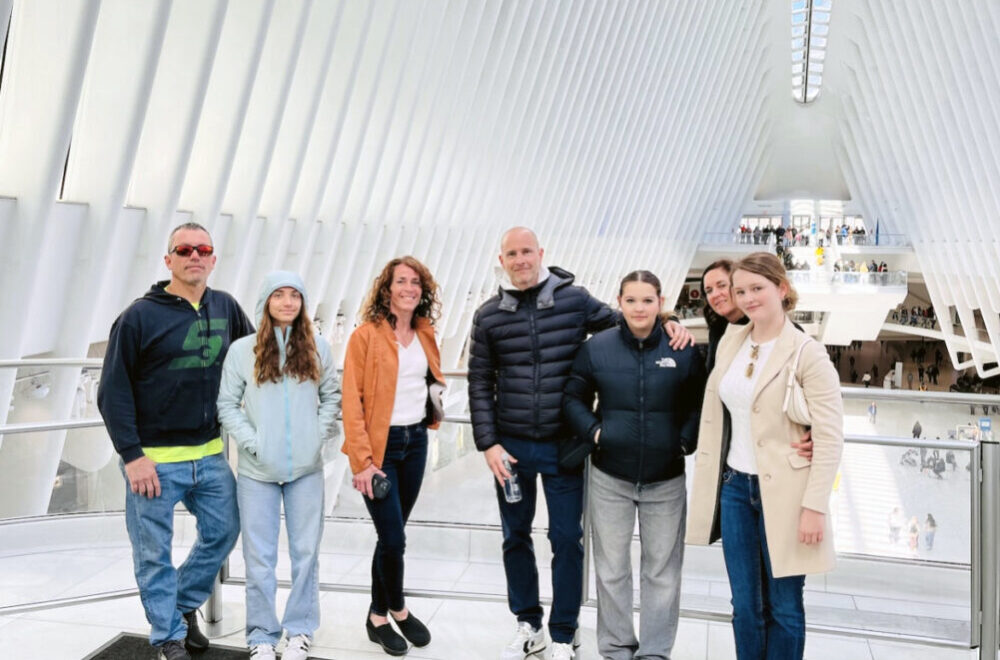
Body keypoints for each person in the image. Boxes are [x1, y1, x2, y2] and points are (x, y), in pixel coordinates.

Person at [468, 227, 693, 660]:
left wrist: (668, 322)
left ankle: (563, 631)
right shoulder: (488, 315)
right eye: (512, 254)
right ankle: (528, 624)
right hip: (510, 448)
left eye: (527, 251)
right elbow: (479, 382)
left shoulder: (574, 300)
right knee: (515, 536)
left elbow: (627, 320)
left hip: (564, 445)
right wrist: (488, 443)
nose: (520, 260)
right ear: (502, 260)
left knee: (567, 538)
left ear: (541, 253)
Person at [97, 222, 254, 660]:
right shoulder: (138, 317)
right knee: (154, 555)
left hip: (210, 456)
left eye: (203, 249)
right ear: (168, 260)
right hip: (153, 462)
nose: (194, 256)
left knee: (224, 531)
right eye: (184, 250)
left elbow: (254, 358)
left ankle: (182, 606)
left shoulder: (226, 306)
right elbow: (112, 391)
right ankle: (168, 636)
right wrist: (133, 456)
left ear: (213, 259)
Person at [687, 252, 844, 660]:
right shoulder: (732, 341)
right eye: (741, 291)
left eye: (757, 288)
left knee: (784, 606)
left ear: (782, 288)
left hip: (788, 494)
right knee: (745, 606)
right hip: (735, 489)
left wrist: (814, 506)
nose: (748, 298)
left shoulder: (807, 352)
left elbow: (830, 435)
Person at [563, 271, 706, 660]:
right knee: (611, 569)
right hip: (610, 476)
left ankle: (655, 652)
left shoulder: (683, 349)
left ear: (661, 302)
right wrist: (596, 433)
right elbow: (573, 397)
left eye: (647, 300)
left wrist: (683, 441)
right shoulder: (597, 348)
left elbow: (699, 403)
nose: (639, 308)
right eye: (631, 300)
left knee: (662, 573)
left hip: (666, 479)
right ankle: (616, 648)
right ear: (619, 302)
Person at [217, 272, 341, 660]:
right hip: (257, 473)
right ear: (265, 302)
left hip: (306, 470)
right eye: (279, 295)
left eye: (294, 296)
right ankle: (261, 636)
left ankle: (300, 631)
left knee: (306, 555)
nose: (287, 302)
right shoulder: (242, 350)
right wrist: (253, 443)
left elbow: (331, 397)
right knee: (259, 559)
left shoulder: (319, 348)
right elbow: (226, 405)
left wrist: (314, 437)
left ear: (303, 303)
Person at [342, 256, 446, 656]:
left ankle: (376, 616)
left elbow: (430, 380)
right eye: (401, 281)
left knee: (392, 534)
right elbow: (352, 402)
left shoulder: (425, 332)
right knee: (394, 538)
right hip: (378, 449)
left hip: (415, 441)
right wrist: (363, 462)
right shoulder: (365, 336)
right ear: (386, 289)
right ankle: (398, 609)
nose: (409, 288)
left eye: (415, 282)